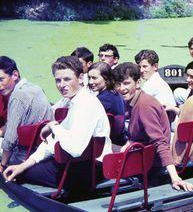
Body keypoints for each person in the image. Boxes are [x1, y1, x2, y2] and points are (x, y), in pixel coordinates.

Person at [3, 56, 112, 188]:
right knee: (26, 167)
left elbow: (75, 149)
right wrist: (24, 165)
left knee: (22, 174)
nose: (61, 85)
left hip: (89, 170)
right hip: (84, 165)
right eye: (58, 80)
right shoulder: (78, 101)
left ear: (81, 78)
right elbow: (52, 142)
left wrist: (54, 127)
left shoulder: (85, 105)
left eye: (67, 79)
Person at [112, 62, 193, 191]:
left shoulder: (145, 105)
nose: (121, 88)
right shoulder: (132, 100)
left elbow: (160, 142)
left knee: (100, 154)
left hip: (149, 161)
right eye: (118, 84)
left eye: (126, 83)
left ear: (138, 83)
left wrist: (175, 177)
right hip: (141, 150)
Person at [0, 56, 53, 172]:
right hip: (43, 149)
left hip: (23, 156)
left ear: (15, 75)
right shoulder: (35, 87)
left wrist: (3, 165)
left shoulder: (17, 97)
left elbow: (10, 139)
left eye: (1, 79)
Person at [88, 62, 126, 145]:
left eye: (94, 78)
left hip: (107, 145)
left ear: (106, 78)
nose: (90, 82)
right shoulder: (117, 94)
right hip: (120, 140)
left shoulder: (101, 100)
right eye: (89, 78)